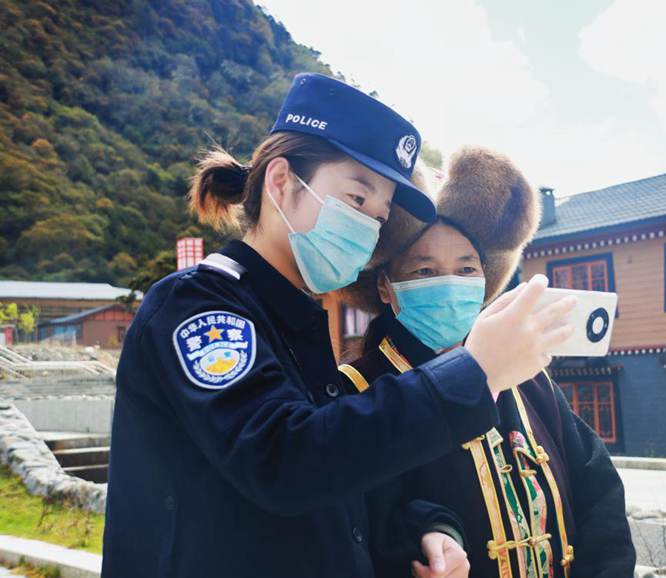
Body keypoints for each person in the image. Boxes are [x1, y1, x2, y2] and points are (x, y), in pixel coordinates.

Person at [101, 73, 578, 578]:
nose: (368, 227)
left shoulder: (297, 321)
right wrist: (473, 372)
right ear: (281, 182)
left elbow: (342, 484)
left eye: (380, 215)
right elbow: (282, 461)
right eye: (356, 199)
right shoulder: (200, 306)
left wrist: (423, 529)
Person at [338, 147, 636, 578]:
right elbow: (364, 524)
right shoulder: (355, 389)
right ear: (386, 287)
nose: (449, 284)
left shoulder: (529, 376)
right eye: (425, 271)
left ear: (485, 280)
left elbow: (599, 494)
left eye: (465, 270)